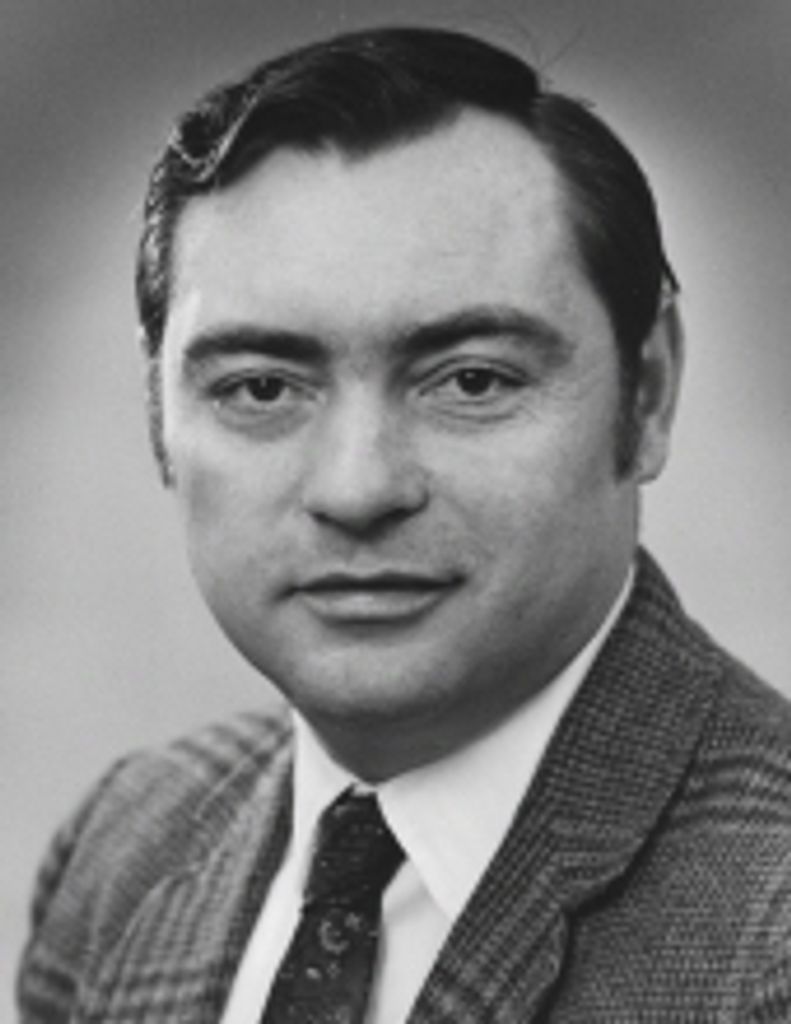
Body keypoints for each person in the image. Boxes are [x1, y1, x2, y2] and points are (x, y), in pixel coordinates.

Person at [17, 25, 791, 1023]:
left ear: (645, 392)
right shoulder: (123, 848)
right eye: (261, 387)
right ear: (157, 414)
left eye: (471, 380)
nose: (357, 488)